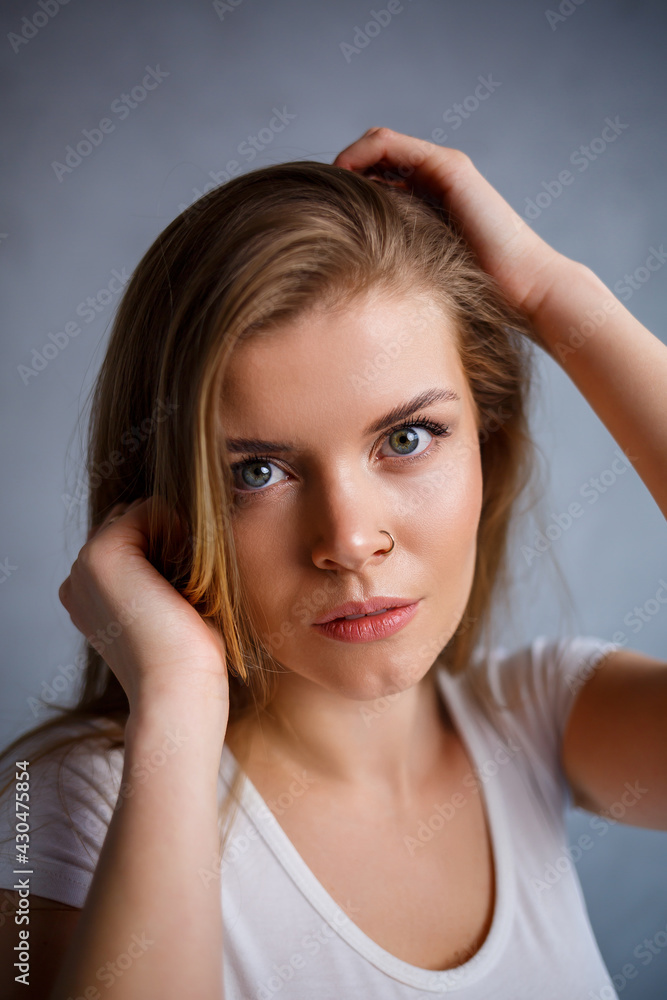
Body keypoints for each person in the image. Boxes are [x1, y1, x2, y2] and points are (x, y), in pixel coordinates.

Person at [0, 126, 665, 999]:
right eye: (257, 472)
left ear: (486, 448)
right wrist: (177, 704)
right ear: (159, 503)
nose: (348, 540)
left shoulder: (536, 724)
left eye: (406, 437)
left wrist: (551, 294)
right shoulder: (53, 813)